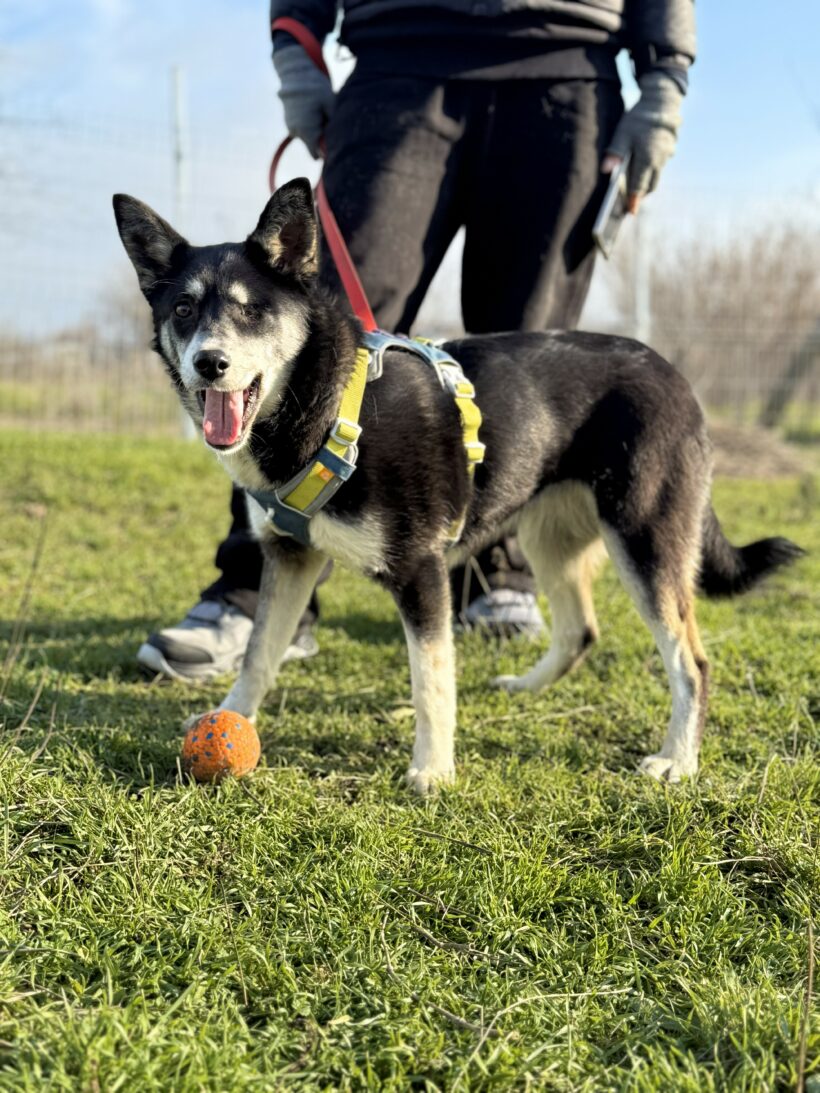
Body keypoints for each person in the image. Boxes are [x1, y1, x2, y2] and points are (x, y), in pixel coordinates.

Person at [137, 0, 696, 682]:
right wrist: (297, 51)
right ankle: (258, 588)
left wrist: (664, 77)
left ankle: (493, 580)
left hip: (568, 71)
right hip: (397, 62)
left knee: (524, 369)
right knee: (309, 337)